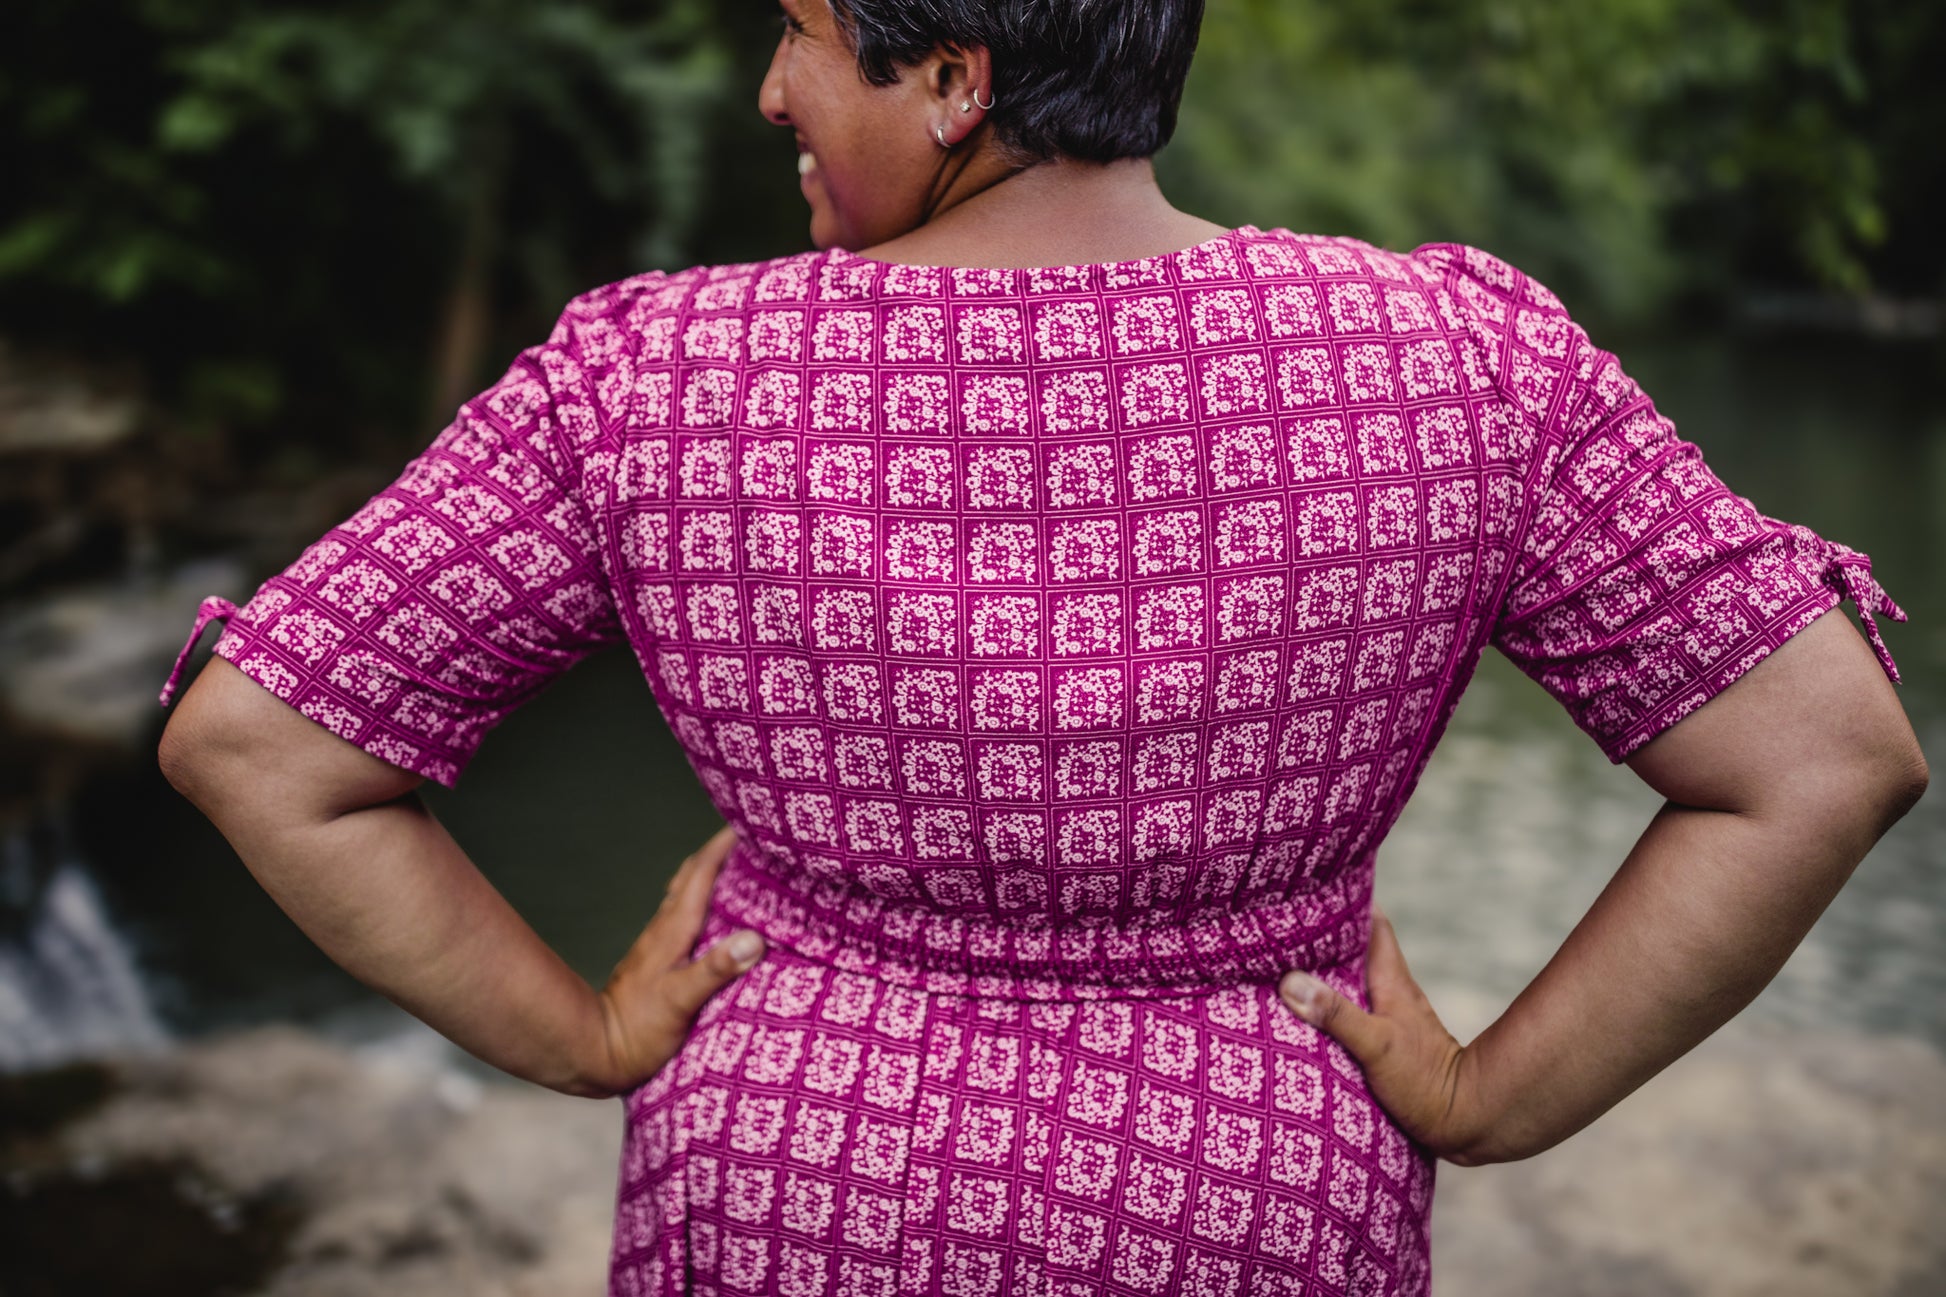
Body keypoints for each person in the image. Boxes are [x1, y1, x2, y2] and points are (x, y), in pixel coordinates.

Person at [156, 0, 1929, 1293]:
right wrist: (1486, 1095)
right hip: (1246, 1211)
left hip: (792, 1198)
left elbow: (260, 742)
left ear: (951, 80)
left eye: (798, 34)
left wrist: (581, 1033)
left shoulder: (654, 382)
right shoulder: (1456, 360)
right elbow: (1819, 757)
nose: (769, 89)